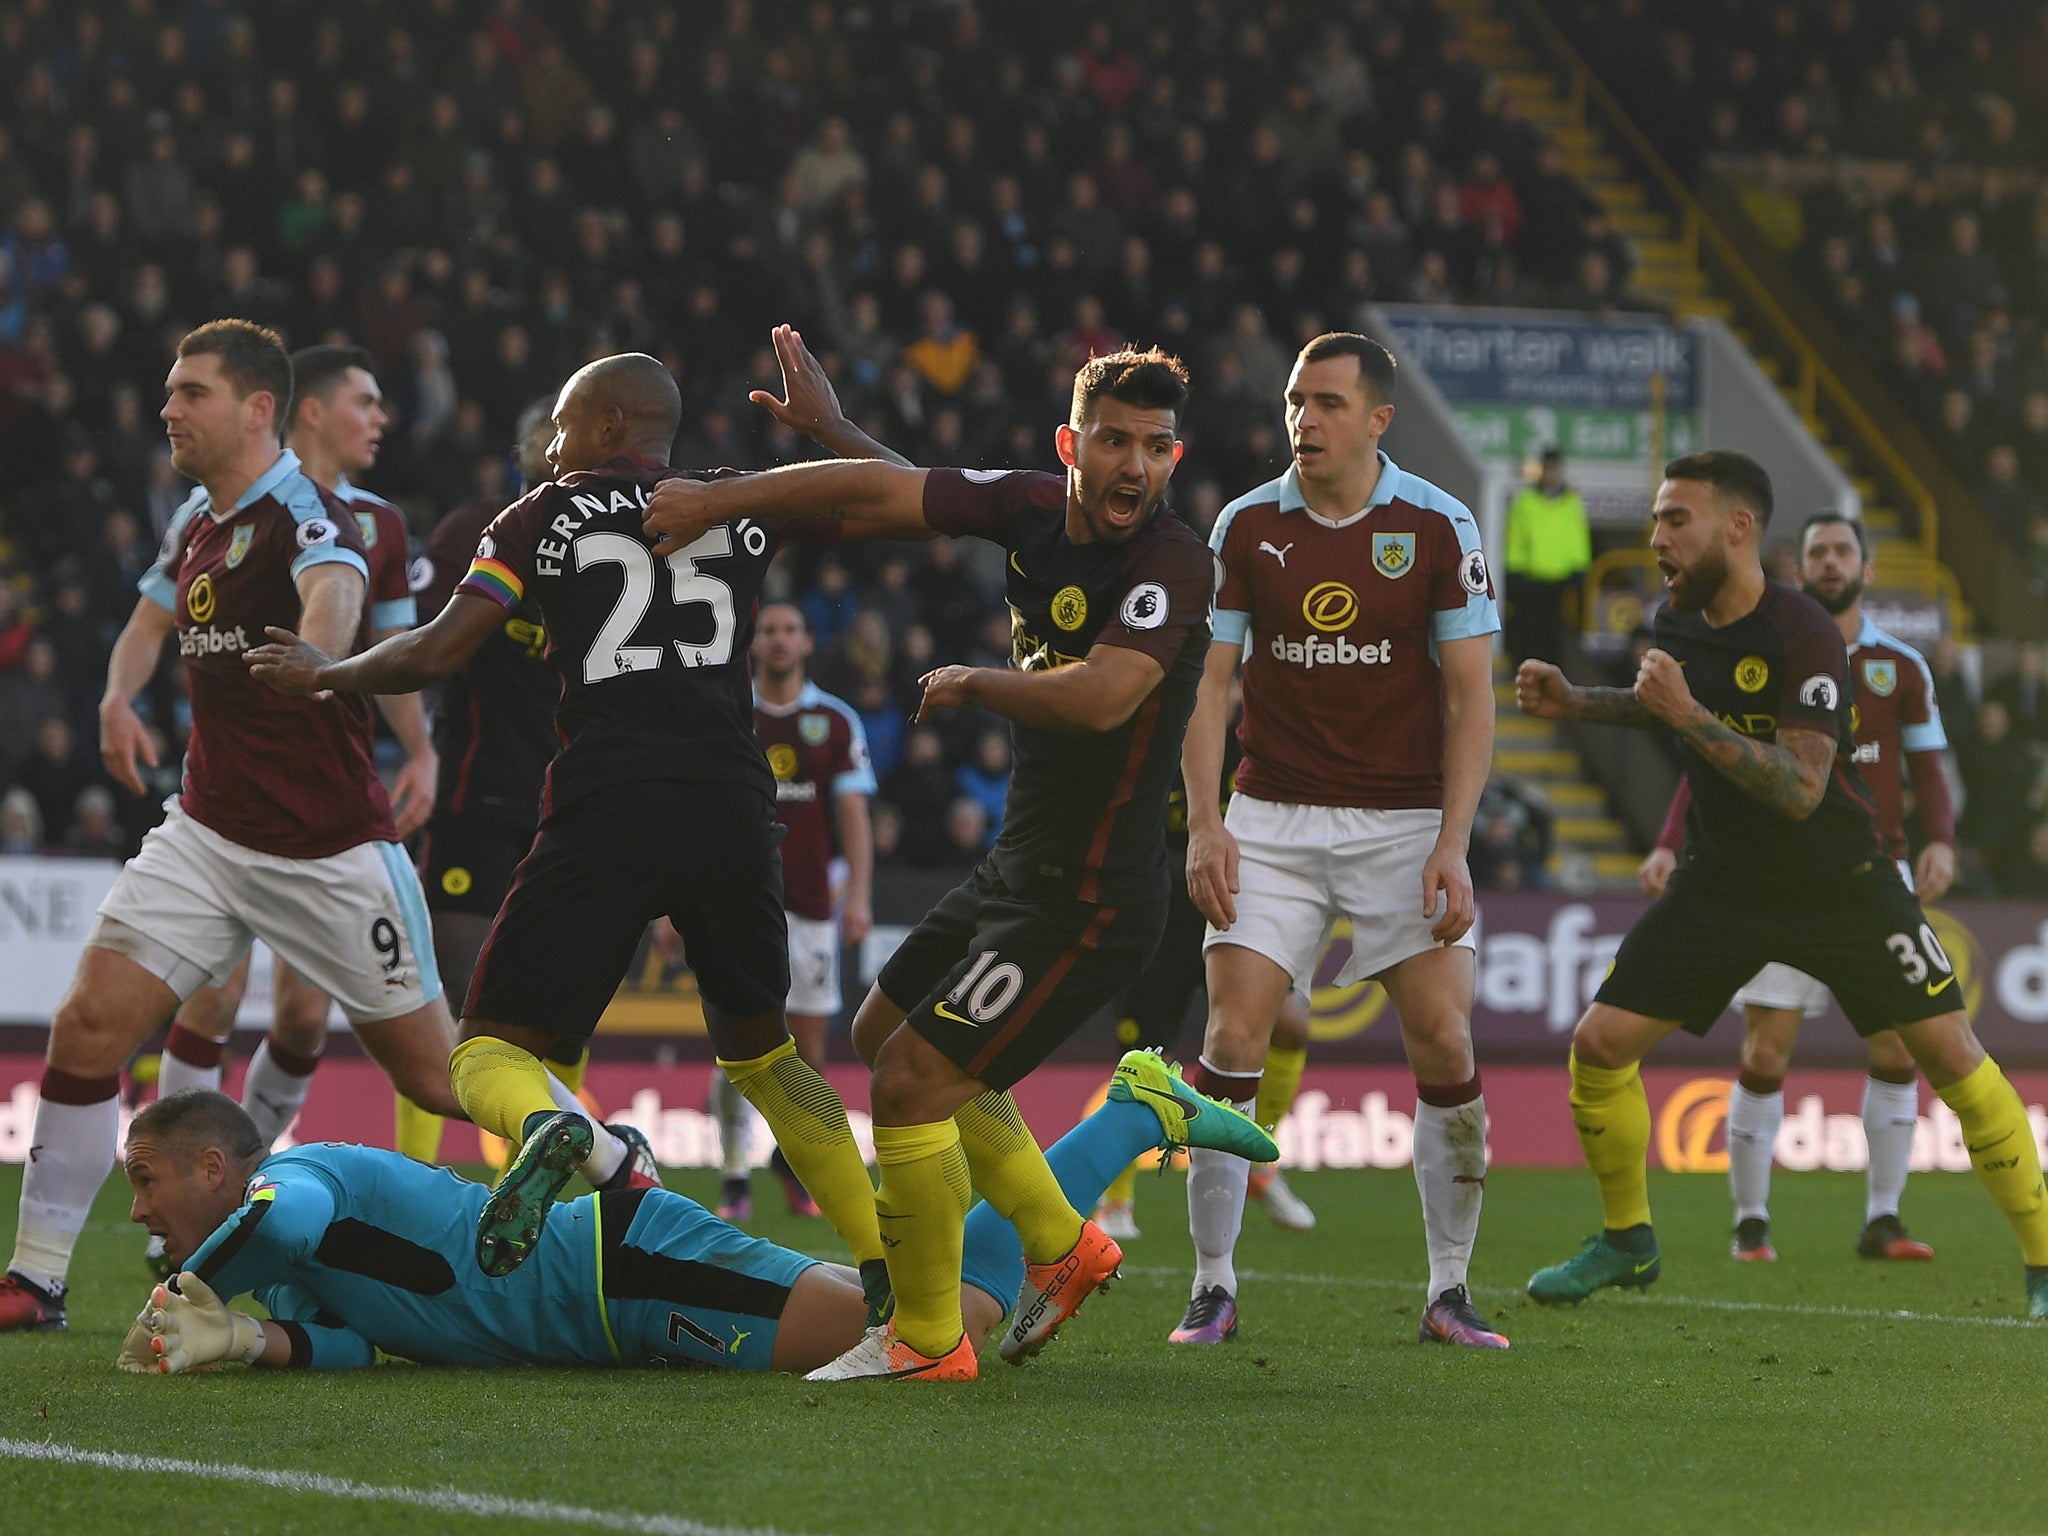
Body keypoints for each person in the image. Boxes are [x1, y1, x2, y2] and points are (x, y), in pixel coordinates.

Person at [640, 336, 1272, 1382]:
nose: (1133, 468)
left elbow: (1107, 693)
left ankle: (927, 1343)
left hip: (1088, 899)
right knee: (880, 1026)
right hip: (1018, 869)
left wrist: (981, 685)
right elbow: (898, 493)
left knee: (907, 1082)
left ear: (1172, 457)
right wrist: (817, 443)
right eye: (1112, 442)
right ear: (1071, 445)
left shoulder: (1172, 560)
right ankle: (1060, 1240)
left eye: (1154, 448)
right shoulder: (1030, 506)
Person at [246, 352, 885, 1309]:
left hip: (606, 805)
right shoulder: (738, 499)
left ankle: (566, 1134)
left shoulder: (535, 516)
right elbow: (904, 495)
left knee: (486, 1052)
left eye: (562, 427)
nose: (546, 446)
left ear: (611, 428)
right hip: (730, 805)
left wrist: (323, 675)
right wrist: (830, 430)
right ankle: (889, 1268)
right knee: (768, 1059)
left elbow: (434, 651)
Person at [0, 320, 462, 1335]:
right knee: (87, 1026)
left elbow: (335, 590)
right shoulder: (197, 517)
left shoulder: (312, 510)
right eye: (168, 391)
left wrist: (318, 656)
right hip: (206, 831)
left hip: (326, 846)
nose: (167, 408)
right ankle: (36, 1280)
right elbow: (144, 622)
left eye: (189, 392)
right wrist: (120, 698)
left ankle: (605, 1161)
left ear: (258, 408)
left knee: (435, 1073)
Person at [1517, 451, 2048, 1319]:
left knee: (1952, 1055)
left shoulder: (1805, 633)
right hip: (1722, 884)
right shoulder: (1677, 619)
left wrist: (1689, 712)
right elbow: (1668, 703)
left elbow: (1802, 788)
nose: (1656, 539)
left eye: (1674, 520)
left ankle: (2044, 1260)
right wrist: (1581, 701)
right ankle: (1627, 1241)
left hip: (1839, 881)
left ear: (1738, 528)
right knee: (1600, 1045)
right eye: (1654, 521)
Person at [118, 1056, 1274, 1377]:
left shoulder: (299, 1178)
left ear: (215, 1166)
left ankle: (1127, 1116)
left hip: (625, 1277)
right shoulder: (264, 1253)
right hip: (613, 1299)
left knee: (945, 1335)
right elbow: (360, 1336)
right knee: (933, 1319)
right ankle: (1089, 1138)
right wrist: (246, 1341)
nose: (141, 1212)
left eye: (148, 1185)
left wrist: (190, 1287)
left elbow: (291, 1219)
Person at [1175, 332, 1506, 1351]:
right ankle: (1211, 1285)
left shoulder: (1438, 526)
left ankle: (1447, 1290)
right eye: (1291, 403)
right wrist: (1202, 823)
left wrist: (1452, 842)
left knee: (1444, 1046)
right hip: (1269, 816)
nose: (1302, 422)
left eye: (1324, 403)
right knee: (1230, 1042)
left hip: (1404, 822)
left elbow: (1470, 699)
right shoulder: (1243, 525)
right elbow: (1208, 688)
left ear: (1377, 420)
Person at [153, 343, 447, 1175]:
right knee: (209, 995)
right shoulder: (222, 509)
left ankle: (240, 1167)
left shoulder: (381, 521)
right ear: (309, 410)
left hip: (324, 809)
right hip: (230, 801)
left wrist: (419, 750)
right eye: (366, 402)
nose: (381, 420)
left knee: (303, 1019)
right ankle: (183, 1193)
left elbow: (391, 647)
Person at [1640, 512, 1958, 1263]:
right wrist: (1666, 842)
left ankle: (1884, 1217)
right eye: (1817, 551)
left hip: (1873, 874)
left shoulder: (1902, 667)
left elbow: (1930, 766)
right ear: (1798, 566)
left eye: (1844, 549)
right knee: (1765, 1051)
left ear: (1867, 569)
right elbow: (1717, 754)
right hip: (1776, 874)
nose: (1830, 561)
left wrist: (1941, 838)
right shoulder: (1771, 650)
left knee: (1895, 1044)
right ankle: (1751, 1222)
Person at [411, 397, 589, 1149]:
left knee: (565, 1015)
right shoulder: (473, 534)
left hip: (579, 809)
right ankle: (416, 1176)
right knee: (460, 1010)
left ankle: (536, 1180)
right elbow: (410, 635)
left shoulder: (626, 547)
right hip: (475, 803)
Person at [1093, 724, 1317, 1242]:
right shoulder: (1150, 740)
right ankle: (1116, 1201)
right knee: (1141, 1056)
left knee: (1289, 1026)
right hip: (1161, 921)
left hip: (1236, 913)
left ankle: (1258, 1157)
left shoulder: (1255, 745)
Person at [711, 601, 876, 1223]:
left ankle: (789, 1159)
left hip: (809, 909)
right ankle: (733, 1176)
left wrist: (858, 895)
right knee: (737, 1046)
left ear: (807, 641)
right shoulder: (729, 712)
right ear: (753, 643)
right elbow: (701, 809)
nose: (780, 640)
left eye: (791, 629)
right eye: (770, 630)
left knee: (806, 1058)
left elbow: (853, 815)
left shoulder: (833, 720)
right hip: (732, 904)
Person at [1502, 447, 1591, 663]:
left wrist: (1580, 568)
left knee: (1558, 638)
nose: (1551, 474)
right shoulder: (1526, 501)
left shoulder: (1571, 502)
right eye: (1548, 468)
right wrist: (1514, 569)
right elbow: (1516, 537)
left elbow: (1578, 537)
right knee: (1530, 635)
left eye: (1555, 469)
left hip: (1561, 580)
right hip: (1532, 579)